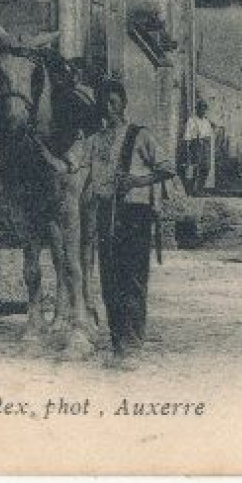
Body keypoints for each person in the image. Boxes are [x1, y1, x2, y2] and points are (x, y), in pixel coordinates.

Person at [73, 78, 175, 365]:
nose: (109, 107)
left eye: (114, 102)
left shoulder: (139, 136)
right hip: (106, 215)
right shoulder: (94, 141)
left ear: (123, 103)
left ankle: (133, 344)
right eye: (104, 102)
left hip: (135, 215)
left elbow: (168, 168)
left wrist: (137, 180)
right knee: (109, 281)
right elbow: (72, 165)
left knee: (133, 280)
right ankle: (118, 343)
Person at [180, 99, 215, 196]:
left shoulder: (206, 122)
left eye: (204, 109)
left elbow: (210, 134)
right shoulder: (192, 120)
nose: (203, 111)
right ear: (197, 109)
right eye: (201, 108)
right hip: (196, 144)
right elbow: (187, 135)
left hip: (206, 145)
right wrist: (188, 147)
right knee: (196, 167)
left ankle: (200, 189)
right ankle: (193, 190)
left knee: (206, 167)